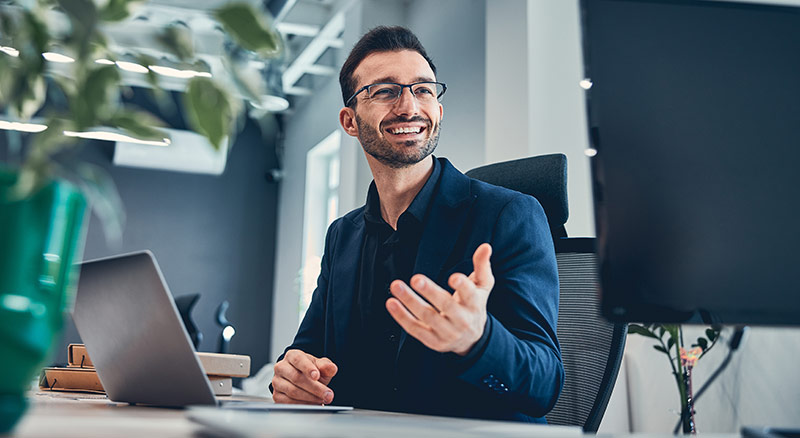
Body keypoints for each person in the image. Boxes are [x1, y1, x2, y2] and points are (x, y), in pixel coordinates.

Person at [271, 26, 563, 423]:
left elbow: (545, 385)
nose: (409, 107)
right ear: (350, 121)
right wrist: (291, 376)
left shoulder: (510, 215)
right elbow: (305, 352)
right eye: (385, 91)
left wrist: (477, 341)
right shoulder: (342, 235)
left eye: (423, 90)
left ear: (438, 111)